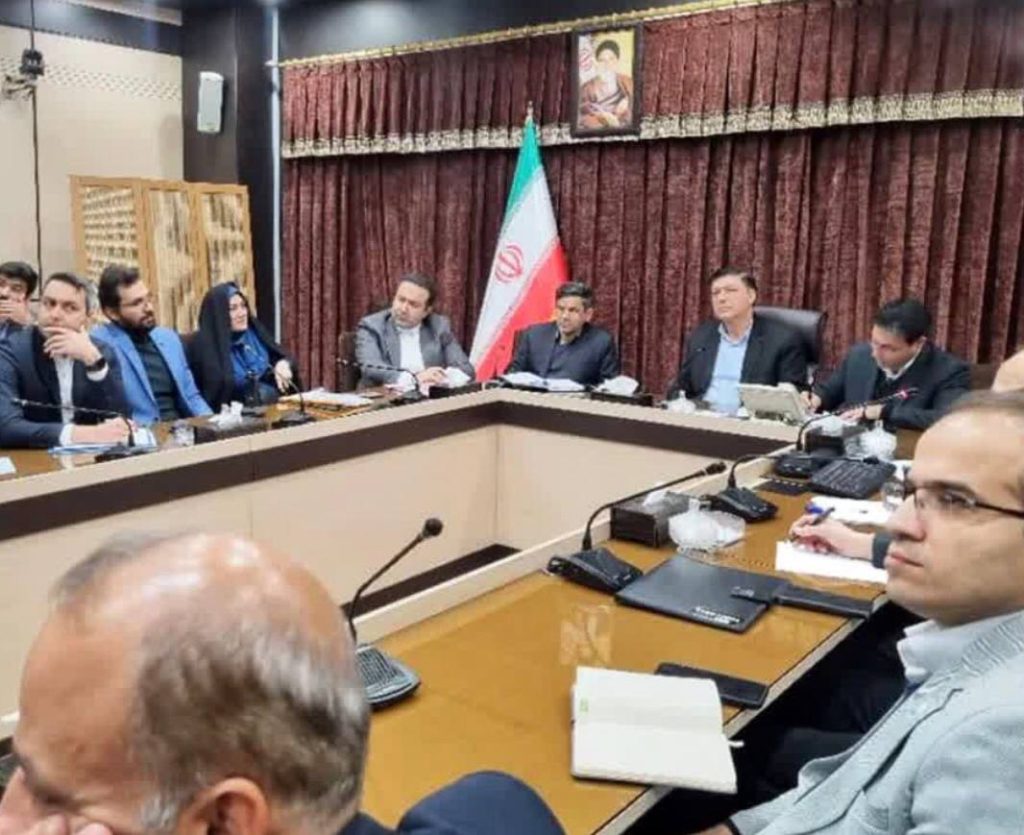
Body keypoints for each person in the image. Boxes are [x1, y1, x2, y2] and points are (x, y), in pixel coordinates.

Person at [0, 530, 566, 835]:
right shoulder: (494, 807)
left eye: (51, 799)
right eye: (15, 769)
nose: (6, 819)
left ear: (224, 824)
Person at [694, 389, 1024, 835]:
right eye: (913, 493)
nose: (898, 523)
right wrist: (737, 828)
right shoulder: (961, 647)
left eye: (954, 501)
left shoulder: (1000, 734)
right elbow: (852, 788)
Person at [0, 272, 129, 449]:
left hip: (91, 458)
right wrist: (85, 434)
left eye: (70, 308)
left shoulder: (100, 351)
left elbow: (121, 418)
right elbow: (5, 427)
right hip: (35, 459)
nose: (55, 314)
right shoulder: (10, 351)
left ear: (88, 316)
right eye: (49, 303)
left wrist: (93, 361)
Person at [806, 299, 969, 430]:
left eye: (887, 348)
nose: (875, 353)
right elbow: (830, 391)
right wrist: (816, 399)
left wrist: (884, 412)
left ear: (918, 344)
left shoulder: (949, 371)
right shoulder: (860, 355)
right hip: (848, 449)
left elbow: (948, 419)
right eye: (874, 342)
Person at [669, 268, 807, 411]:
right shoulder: (701, 336)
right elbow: (681, 387)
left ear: (751, 296)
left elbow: (792, 396)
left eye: (730, 291)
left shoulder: (782, 340)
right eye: (715, 293)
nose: (721, 298)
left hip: (748, 421)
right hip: (701, 418)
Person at [92, 265, 212, 425]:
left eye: (148, 299)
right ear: (112, 313)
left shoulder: (169, 339)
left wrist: (214, 425)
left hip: (183, 430)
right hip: (138, 434)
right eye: (137, 303)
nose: (149, 308)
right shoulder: (98, 345)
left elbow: (191, 396)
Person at [188, 282, 301, 412]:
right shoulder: (203, 348)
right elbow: (211, 395)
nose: (242, 313)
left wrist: (284, 363)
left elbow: (280, 356)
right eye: (233, 309)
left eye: (243, 306)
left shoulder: (254, 334)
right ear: (218, 314)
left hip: (276, 410)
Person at [354, 273, 475, 388]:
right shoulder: (372, 326)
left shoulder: (438, 326)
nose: (403, 309)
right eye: (401, 299)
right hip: (384, 398)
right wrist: (415, 379)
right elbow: (371, 367)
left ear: (426, 311)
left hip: (428, 398)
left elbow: (466, 369)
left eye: (413, 305)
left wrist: (443, 378)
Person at [505, 281, 619, 386]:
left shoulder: (601, 343)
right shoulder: (533, 335)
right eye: (561, 309)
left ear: (588, 315)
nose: (565, 316)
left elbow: (608, 388)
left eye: (573, 310)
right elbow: (511, 375)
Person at [578, 39, 634, 130]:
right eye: (602, 60)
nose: (607, 64)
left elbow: (634, 102)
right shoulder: (586, 87)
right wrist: (602, 116)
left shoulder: (627, 81)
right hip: (597, 123)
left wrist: (627, 103)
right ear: (597, 62)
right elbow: (583, 110)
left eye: (611, 59)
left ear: (617, 61)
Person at [0, 262, 37, 342]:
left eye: (16, 289)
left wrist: (26, 325)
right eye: (1, 284)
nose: (4, 293)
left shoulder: (33, 326)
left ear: (27, 298)